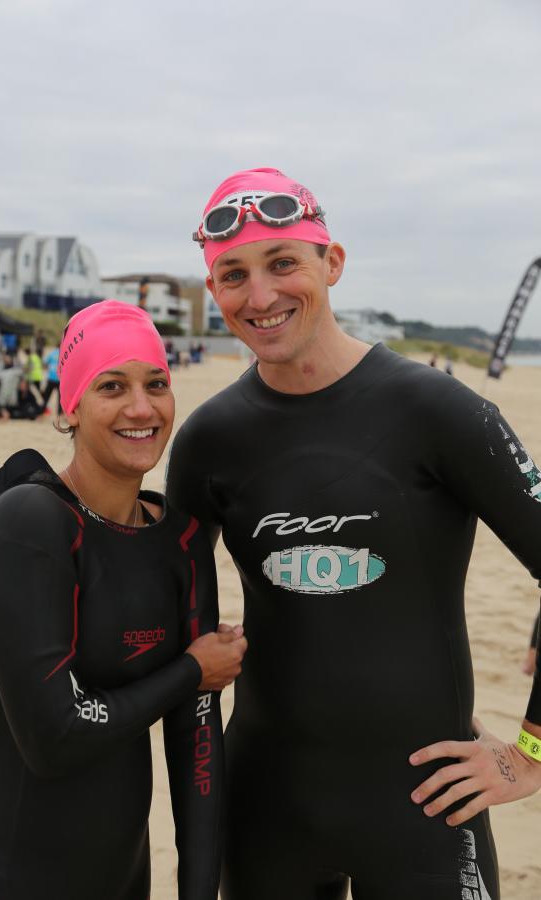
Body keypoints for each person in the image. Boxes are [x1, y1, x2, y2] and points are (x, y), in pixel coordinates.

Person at [166, 167, 541, 900]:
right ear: (216, 296)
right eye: (233, 276)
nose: (261, 296)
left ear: (330, 263)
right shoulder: (210, 440)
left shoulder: (438, 410)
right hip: (265, 805)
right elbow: (155, 604)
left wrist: (531, 754)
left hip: (427, 811)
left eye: (283, 264)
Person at [0, 300, 247, 900]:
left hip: (122, 880)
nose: (141, 407)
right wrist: (191, 670)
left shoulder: (182, 541)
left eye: (156, 384)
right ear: (71, 406)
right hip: (5, 877)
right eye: (113, 386)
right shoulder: (30, 523)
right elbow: (54, 737)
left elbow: (198, 751)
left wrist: (199, 893)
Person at [42, 344, 61, 414]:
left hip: (51, 378)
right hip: (59, 379)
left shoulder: (52, 353)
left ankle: (42, 410)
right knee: (60, 398)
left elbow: (44, 362)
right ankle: (59, 413)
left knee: (46, 396)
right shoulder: (64, 353)